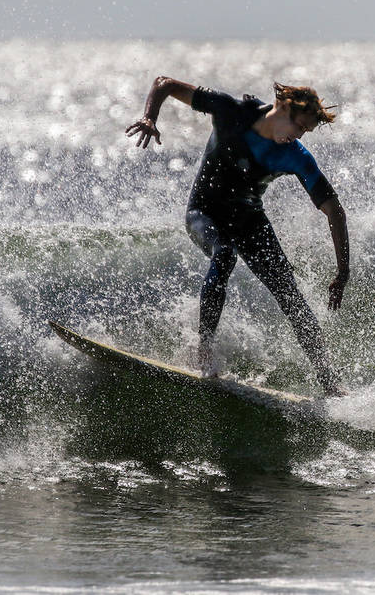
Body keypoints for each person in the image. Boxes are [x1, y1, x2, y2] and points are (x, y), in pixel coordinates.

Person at [125, 77, 349, 396]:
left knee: (291, 296)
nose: (299, 136)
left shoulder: (296, 156)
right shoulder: (229, 110)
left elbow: (334, 210)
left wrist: (342, 272)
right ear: (283, 107)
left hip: (249, 219)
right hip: (204, 213)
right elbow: (164, 84)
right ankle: (204, 352)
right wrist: (150, 117)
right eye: (300, 126)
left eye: (305, 132)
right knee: (225, 253)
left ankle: (329, 382)